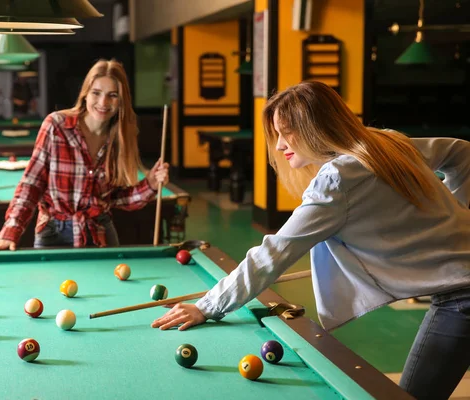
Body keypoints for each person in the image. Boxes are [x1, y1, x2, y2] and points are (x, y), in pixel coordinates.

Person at [151, 81, 470, 400]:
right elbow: (461, 152)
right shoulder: (386, 142)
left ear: (315, 128)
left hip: (462, 299)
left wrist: (207, 307)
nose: (278, 146)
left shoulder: (336, 182)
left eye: (286, 132)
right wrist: (459, 216)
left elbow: (272, 255)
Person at [0, 59, 169, 251]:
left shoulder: (120, 139)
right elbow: (31, 184)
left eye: (113, 95)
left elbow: (116, 199)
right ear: (85, 94)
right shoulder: (56, 126)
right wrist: (10, 232)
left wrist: (150, 184)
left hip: (99, 232)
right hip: (53, 233)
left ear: (122, 101)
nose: (103, 102)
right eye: (96, 93)